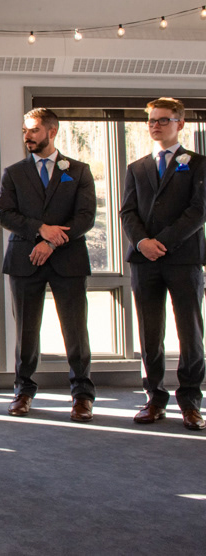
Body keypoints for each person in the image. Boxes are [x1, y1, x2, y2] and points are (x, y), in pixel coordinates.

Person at [0, 108, 97, 421]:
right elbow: (5, 214)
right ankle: (23, 391)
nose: (27, 136)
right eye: (25, 131)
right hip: (25, 260)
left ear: (52, 132)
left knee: (76, 330)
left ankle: (82, 394)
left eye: (34, 130)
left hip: (68, 260)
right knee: (26, 331)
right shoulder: (13, 173)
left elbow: (85, 217)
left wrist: (52, 242)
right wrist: (41, 230)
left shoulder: (78, 171)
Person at [120, 97, 206, 430]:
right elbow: (127, 211)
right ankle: (154, 398)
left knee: (191, 331)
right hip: (144, 261)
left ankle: (190, 401)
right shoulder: (137, 167)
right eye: (152, 121)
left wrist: (164, 243)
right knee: (150, 332)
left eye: (163, 120)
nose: (156, 125)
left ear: (180, 123)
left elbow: (198, 212)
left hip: (183, 260)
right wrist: (143, 242)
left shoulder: (198, 164)